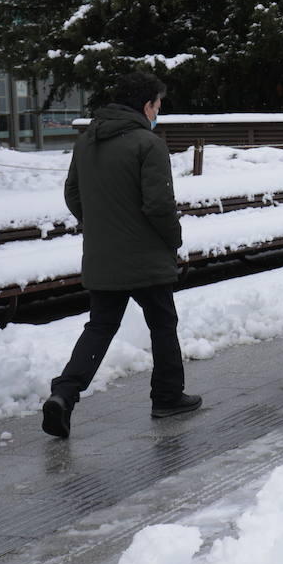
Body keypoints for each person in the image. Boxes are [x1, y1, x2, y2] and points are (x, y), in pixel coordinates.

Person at [41, 71, 199, 438]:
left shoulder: (87, 141)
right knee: (162, 324)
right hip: (146, 258)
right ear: (146, 105)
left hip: (103, 256)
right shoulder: (148, 144)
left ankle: (64, 395)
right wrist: (173, 240)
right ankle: (167, 396)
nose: (158, 112)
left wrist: (99, 226)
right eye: (158, 105)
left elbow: (72, 194)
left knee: (99, 327)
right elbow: (159, 205)